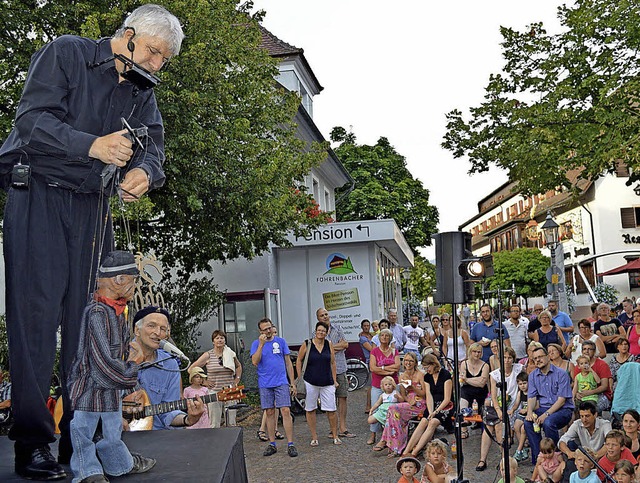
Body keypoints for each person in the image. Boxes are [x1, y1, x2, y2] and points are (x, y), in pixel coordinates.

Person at [1, 5, 184, 478]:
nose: (157, 64)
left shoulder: (142, 91)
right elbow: (31, 122)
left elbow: (155, 143)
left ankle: (77, 443)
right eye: (153, 52)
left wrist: (145, 170)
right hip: (38, 195)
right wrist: (93, 145)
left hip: (93, 208)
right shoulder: (67, 53)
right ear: (127, 35)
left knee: (93, 326)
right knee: (36, 323)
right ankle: (33, 443)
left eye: (164, 58)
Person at [67, 251, 155, 483]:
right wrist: (133, 367)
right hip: (90, 388)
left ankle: (119, 464)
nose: (135, 286)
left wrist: (128, 387)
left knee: (112, 430)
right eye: (133, 280)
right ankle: (88, 472)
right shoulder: (96, 313)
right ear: (118, 280)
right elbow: (103, 365)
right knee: (83, 430)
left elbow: (123, 352)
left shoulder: (118, 313)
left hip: (111, 388)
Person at [129, 305, 205, 430]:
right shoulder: (117, 356)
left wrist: (188, 419)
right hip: (118, 438)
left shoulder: (170, 365)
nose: (157, 332)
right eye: (151, 326)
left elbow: (169, 412)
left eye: (163, 329)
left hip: (157, 438)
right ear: (137, 330)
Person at [250, 317, 298, 457]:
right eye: (265, 329)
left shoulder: (281, 342)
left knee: (285, 410)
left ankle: (290, 444)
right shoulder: (256, 344)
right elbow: (254, 361)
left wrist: (292, 382)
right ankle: (272, 443)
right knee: (270, 412)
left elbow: (288, 363)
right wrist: (260, 345)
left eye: (269, 328)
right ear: (260, 331)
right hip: (265, 383)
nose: (268, 331)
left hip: (281, 381)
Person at [477, 346, 524, 472]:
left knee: (498, 425)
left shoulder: (519, 369)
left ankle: (504, 458)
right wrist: (498, 409)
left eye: (509, 358)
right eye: (504, 357)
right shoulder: (495, 374)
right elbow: (493, 394)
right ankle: (483, 459)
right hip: (498, 403)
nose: (507, 360)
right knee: (488, 426)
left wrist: (513, 408)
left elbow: (521, 390)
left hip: (514, 403)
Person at [525, 346, 575, 465]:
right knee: (528, 423)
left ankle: (556, 455)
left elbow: (562, 400)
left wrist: (546, 415)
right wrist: (529, 412)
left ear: (548, 357)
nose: (537, 360)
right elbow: (531, 397)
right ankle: (539, 458)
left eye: (540, 357)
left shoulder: (561, 374)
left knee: (548, 422)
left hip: (563, 409)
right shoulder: (532, 376)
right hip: (543, 408)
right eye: (535, 358)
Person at [295, 321, 340, 446]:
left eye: (323, 331)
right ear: (315, 331)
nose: (321, 333)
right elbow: (299, 360)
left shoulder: (329, 344)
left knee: (331, 409)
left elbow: (332, 362)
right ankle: (314, 436)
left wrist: (334, 379)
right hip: (310, 381)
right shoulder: (307, 344)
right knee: (310, 409)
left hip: (327, 381)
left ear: (327, 333)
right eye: (319, 330)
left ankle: (335, 435)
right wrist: (300, 378)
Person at [402, 354, 453, 458]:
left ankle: (415, 452)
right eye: (424, 368)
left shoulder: (445, 375)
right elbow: (429, 395)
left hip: (445, 405)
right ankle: (406, 451)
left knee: (432, 422)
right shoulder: (427, 377)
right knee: (424, 421)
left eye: (427, 367)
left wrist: (436, 412)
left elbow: (447, 398)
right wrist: (430, 412)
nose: (426, 370)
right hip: (433, 404)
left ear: (433, 364)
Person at [189, 329, 242, 428]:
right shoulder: (208, 355)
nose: (220, 340)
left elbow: (238, 367)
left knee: (231, 423)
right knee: (214, 423)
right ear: (213, 341)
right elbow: (192, 369)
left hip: (230, 390)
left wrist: (236, 380)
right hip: (214, 392)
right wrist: (204, 381)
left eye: (222, 338)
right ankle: (215, 443)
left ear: (225, 340)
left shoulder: (230, 354)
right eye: (217, 338)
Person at [316, 307, 355, 439]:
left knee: (343, 397)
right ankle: (332, 428)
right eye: (322, 315)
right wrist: (335, 346)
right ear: (318, 318)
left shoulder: (338, 328)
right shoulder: (316, 332)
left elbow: (345, 345)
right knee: (329, 401)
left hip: (340, 368)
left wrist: (329, 347)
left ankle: (343, 427)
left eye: (326, 314)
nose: (325, 316)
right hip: (325, 370)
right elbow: (319, 350)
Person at [381, 352, 427, 457]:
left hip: (420, 402)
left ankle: (390, 443)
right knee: (394, 413)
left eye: (411, 361)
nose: (408, 363)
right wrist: (408, 400)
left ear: (415, 362)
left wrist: (413, 388)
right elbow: (403, 395)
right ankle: (396, 446)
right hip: (408, 403)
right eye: (406, 360)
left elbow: (424, 393)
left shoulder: (420, 374)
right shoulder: (402, 376)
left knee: (393, 409)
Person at [559, 401, 612, 480]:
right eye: (582, 416)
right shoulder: (577, 424)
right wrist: (569, 453)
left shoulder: (605, 424)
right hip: (584, 460)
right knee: (570, 464)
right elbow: (562, 441)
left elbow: (609, 443)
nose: (584, 419)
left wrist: (595, 456)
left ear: (595, 415)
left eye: (587, 416)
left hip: (600, 458)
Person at [369, 329, 401, 447]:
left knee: (393, 409)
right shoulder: (374, 352)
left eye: (387, 336)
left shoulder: (394, 351)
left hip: (393, 384)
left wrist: (381, 368)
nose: (384, 337)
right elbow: (373, 368)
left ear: (390, 338)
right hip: (378, 384)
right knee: (376, 408)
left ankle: (390, 435)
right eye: (382, 335)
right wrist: (387, 370)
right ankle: (373, 434)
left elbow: (397, 366)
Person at [458, 342, 490, 438]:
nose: (477, 354)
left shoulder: (485, 365)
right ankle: (464, 426)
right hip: (467, 391)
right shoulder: (464, 363)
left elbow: (482, 383)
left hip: (480, 392)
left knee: (483, 400)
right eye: (474, 352)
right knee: (463, 397)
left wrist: (467, 379)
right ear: (470, 352)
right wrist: (475, 380)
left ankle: (480, 423)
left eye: (479, 352)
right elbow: (462, 381)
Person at [572, 340, 612, 414]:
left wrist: (590, 392)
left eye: (589, 349)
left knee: (591, 410)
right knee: (573, 409)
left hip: (601, 394)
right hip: (583, 394)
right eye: (584, 349)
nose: (586, 351)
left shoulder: (602, 365)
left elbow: (604, 386)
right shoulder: (579, 366)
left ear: (594, 351)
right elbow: (576, 385)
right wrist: (577, 394)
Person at [513, 371, 532, 462]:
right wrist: (512, 410)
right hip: (522, 414)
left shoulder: (531, 393)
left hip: (530, 414)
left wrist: (527, 409)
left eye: (524, 383)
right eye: (520, 384)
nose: (523, 386)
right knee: (516, 425)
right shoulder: (520, 393)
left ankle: (519, 449)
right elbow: (516, 403)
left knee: (523, 428)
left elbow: (533, 404)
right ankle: (524, 447)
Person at [359, 319, 374, 412]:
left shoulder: (371, 335)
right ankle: (368, 406)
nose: (366, 327)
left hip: (376, 360)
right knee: (372, 384)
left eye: (368, 325)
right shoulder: (363, 338)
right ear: (362, 327)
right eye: (364, 326)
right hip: (370, 360)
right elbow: (372, 349)